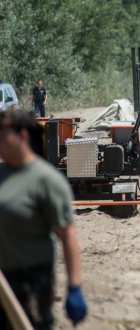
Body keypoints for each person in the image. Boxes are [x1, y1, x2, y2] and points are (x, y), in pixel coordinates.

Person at [0, 111, 87, 329]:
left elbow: (67, 235)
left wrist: (74, 287)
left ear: (22, 136)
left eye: (2, 136)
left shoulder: (46, 180)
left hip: (31, 279)